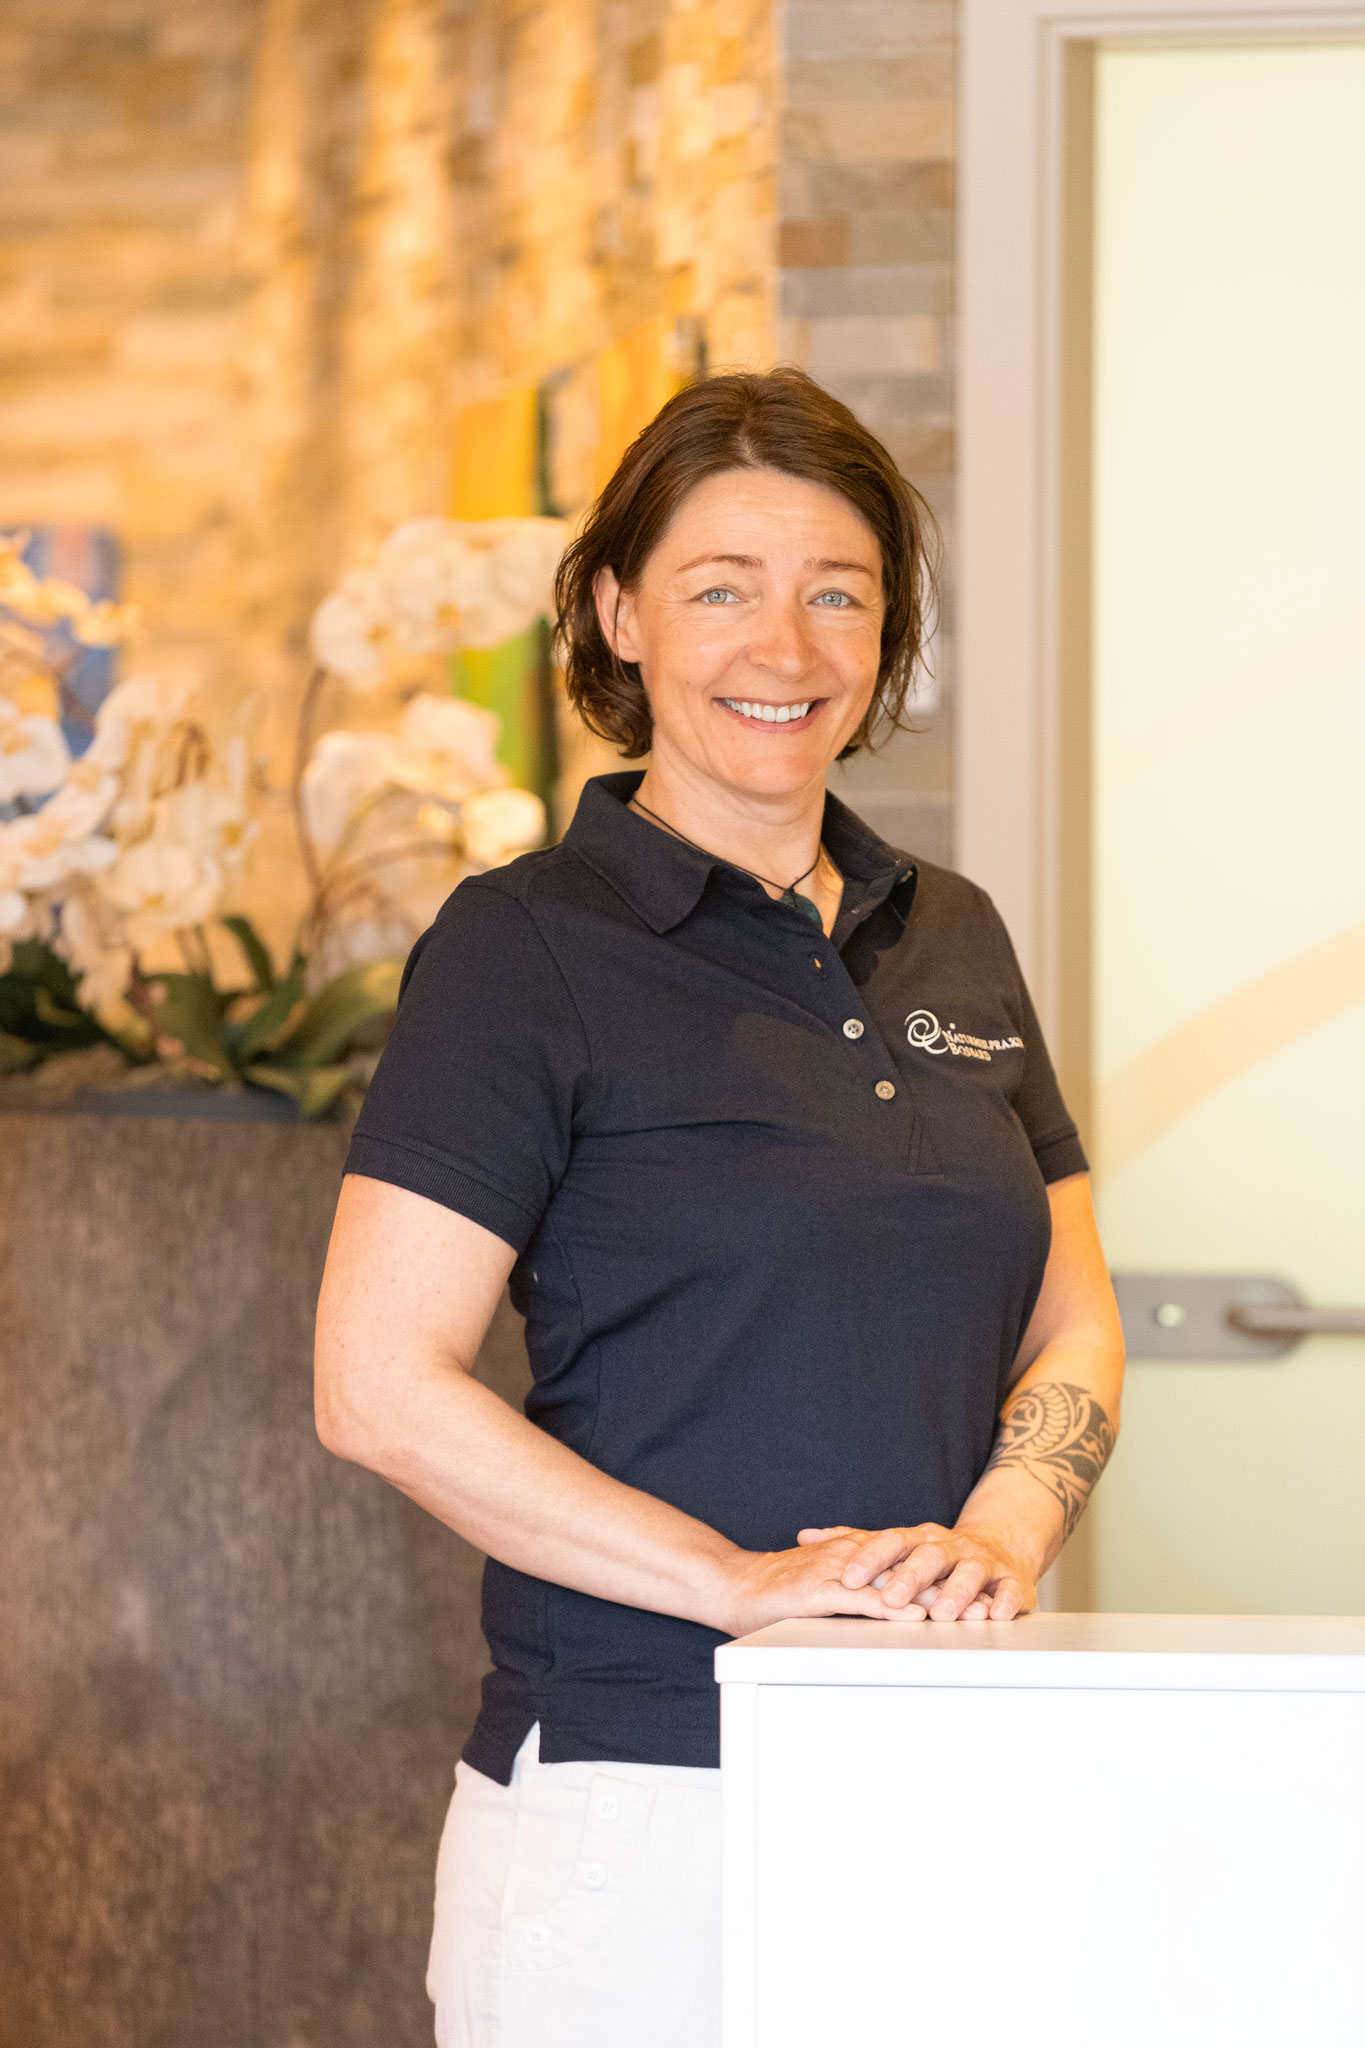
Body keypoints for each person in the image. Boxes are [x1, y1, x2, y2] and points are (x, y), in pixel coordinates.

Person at [314, 366, 1126, 2048]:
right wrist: (733, 1582)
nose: (787, 646)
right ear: (618, 615)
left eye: (838, 594)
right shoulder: (523, 948)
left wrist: (997, 1540)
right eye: (720, 589)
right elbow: (375, 1385)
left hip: (941, 1765)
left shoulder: (953, 931)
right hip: (641, 1801)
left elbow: (1072, 1311)